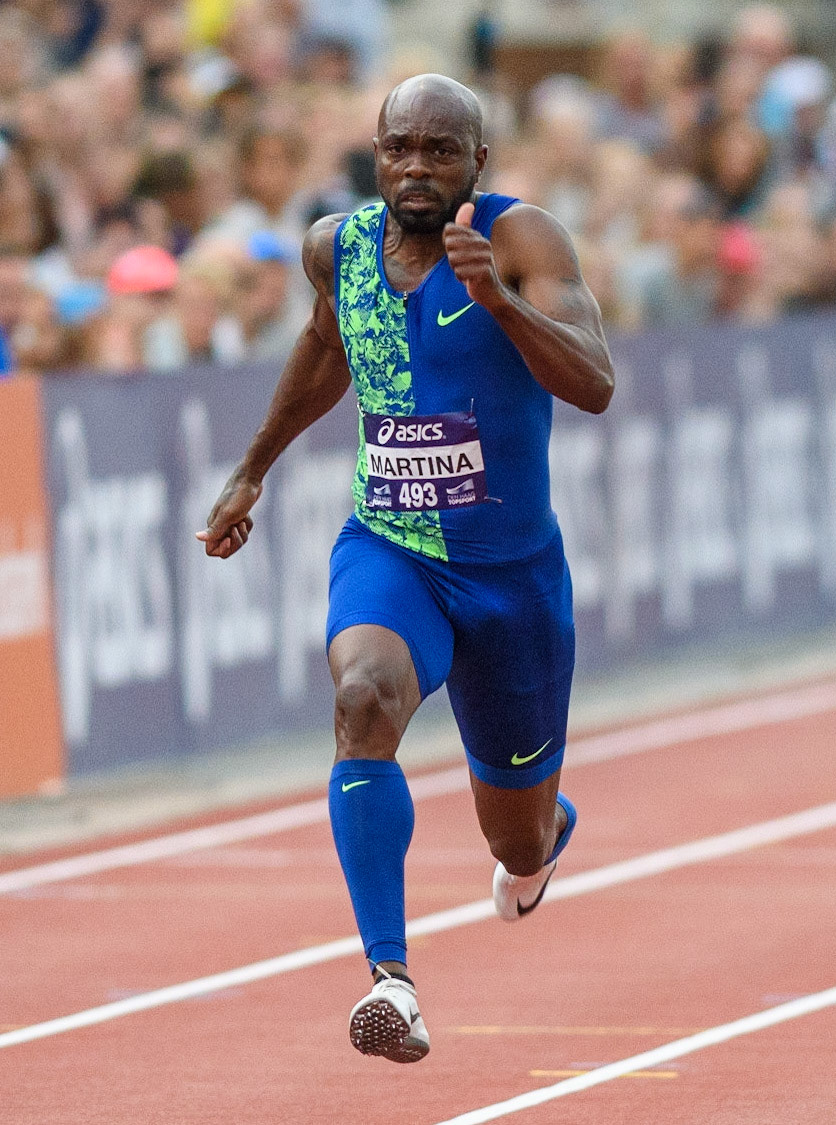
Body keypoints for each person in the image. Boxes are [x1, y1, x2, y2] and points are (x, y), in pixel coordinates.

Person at [196, 73, 614, 1063]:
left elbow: (595, 382)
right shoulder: (334, 249)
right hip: (393, 547)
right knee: (363, 697)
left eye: (440, 150)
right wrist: (250, 470)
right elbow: (322, 353)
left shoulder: (521, 241)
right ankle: (392, 980)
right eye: (399, 148)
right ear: (376, 155)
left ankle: (540, 832)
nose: (416, 168)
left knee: (511, 842)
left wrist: (500, 306)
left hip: (512, 581)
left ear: (479, 161)